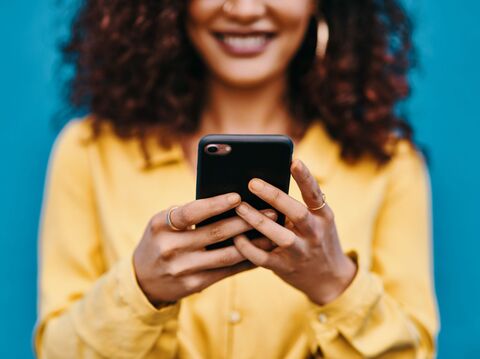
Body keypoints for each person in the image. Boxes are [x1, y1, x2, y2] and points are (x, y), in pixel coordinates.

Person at [35, 0, 439, 358]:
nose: (245, 10)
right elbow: (56, 352)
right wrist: (141, 290)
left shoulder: (390, 164)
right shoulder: (88, 151)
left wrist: (336, 285)